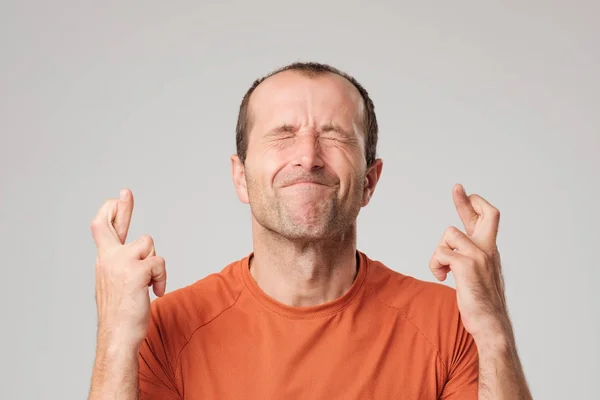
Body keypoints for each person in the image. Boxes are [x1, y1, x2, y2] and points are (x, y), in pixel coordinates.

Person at [87, 62, 532, 399]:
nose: (308, 156)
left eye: (335, 135)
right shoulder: (167, 329)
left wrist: (493, 328)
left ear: (369, 181)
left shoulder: (449, 324)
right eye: (283, 134)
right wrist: (115, 339)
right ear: (241, 177)